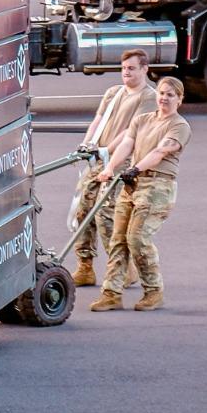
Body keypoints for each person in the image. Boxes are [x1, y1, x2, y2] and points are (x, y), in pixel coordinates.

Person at [90, 76, 191, 314]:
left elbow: (160, 151)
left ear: (179, 100)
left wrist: (136, 168)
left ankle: (153, 291)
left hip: (157, 187)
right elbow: (127, 145)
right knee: (118, 239)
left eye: (170, 95)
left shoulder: (179, 126)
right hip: (132, 185)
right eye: (162, 93)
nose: (164, 98)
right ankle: (111, 293)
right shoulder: (143, 120)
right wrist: (110, 168)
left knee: (137, 238)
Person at [69, 49, 157, 288]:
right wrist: (88, 144)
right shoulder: (113, 93)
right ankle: (85, 266)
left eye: (131, 68)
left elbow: (131, 131)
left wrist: (108, 151)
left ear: (144, 69)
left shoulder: (148, 97)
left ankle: (122, 268)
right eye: (123, 68)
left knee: (105, 213)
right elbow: (99, 121)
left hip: (122, 162)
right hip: (98, 158)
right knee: (83, 209)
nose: (126, 73)